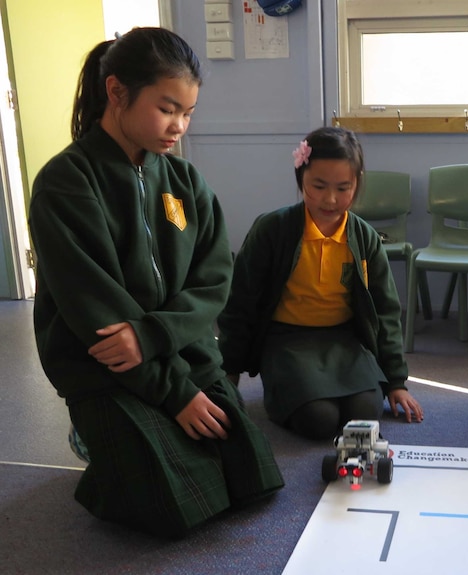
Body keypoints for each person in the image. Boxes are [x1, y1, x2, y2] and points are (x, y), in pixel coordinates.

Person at [28, 28, 284, 537]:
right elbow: (94, 309)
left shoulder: (185, 182)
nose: (179, 127)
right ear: (117, 92)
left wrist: (164, 347)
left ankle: (126, 443)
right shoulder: (65, 182)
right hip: (106, 367)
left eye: (187, 113)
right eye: (168, 109)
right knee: (177, 510)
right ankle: (97, 438)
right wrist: (174, 395)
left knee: (251, 480)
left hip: (177, 353)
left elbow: (213, 282)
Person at [217, 126, 424, 440]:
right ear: (301, 178)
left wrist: (397, 382)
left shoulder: (364, 237)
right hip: (287, 339)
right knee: (319, 419)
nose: (331, 199)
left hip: (344, 338)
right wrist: (228, 373)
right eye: (319, 185)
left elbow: (385, 310)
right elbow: (241, 301)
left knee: (365, 413)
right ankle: (285, 393)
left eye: (343, 188)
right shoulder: (273, 229)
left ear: (357, 184)